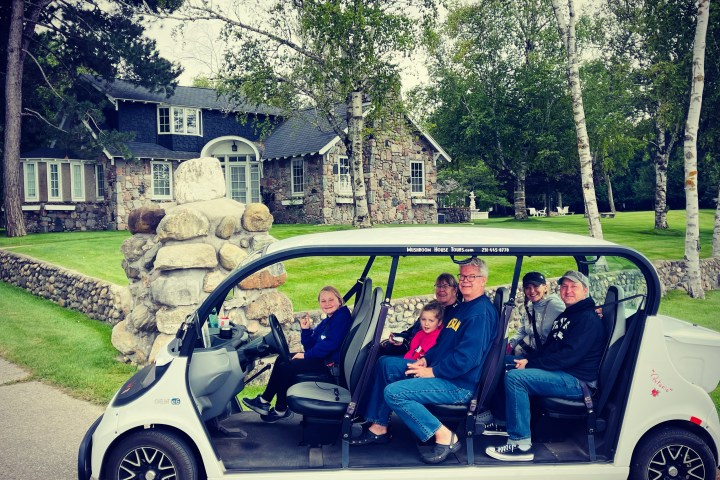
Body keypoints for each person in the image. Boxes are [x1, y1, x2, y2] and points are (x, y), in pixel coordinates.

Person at [351, 258, 499, 465]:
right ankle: (379, 427)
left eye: (471, 277)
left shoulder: (480, 314)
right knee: (386, 364)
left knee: (394, 393)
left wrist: (433, 371)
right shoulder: (462, 308)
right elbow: (442, 344)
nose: (465, 280)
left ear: (483, 280)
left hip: (458, 384)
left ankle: (445, 436)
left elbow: (468, 359)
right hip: (441, 371)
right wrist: (425, 360)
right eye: (462, 276)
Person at [484, 270, 608, 462]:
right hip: (562, 373)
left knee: (516, 378)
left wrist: (530, 363)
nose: (568, 291)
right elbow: (548, 348)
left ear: (585, 290)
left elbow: (567, 357)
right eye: (564, 287)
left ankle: (520, 444)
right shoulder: (568, 315)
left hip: (577, 381)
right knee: (502, 363)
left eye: (573, 287)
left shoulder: (587, 320)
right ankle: (505, 422)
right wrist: (526, 360)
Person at [243, 286, 352, 422]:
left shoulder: (341, 317)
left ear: (339, 301)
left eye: (331, 300)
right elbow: (311, 345)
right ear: (319, 304)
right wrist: (305, 330)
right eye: (323, 301)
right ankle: (267, 402)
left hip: (330, 366)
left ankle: (277, 407)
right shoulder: (328, 320)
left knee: (286, 366)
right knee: (281, 359)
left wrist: (306, 356)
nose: (327, 304)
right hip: (323, 359)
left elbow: (331, 343)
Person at [380, 273, 460, 356]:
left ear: (454, 290)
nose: (441, 290)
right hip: (412, 347)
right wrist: (398, 336)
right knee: (381, 348)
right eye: (438, 286)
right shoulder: (433, 307)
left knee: (384, 361)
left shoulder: (456, 313)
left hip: (424, 356)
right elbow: (413, 330)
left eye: (445, 286)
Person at [508, 272, 565, 357]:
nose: (532, 291)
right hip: (533, 351)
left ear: (545, 288)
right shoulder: (530, 307)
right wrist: (510, 345)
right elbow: (522, 331)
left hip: (548, 356)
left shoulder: (554, 305)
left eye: (536, 286)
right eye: (528, 287)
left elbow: (573, 318)